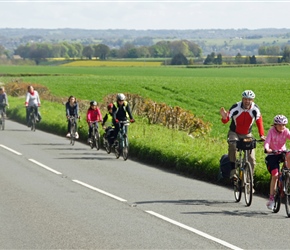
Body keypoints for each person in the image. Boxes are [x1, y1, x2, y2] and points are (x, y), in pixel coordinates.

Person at [220, 90, 266, 181]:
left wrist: (262, 135)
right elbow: (226, 120)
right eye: (245, 99)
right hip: (234, 132)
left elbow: (259, 122)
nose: (247, 101)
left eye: (249, 99)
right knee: (232, 145)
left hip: (247, 134)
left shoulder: (255, 109)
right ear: (242, 99)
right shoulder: (236, 107)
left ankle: (249, 181)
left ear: (252, 100)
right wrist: (224, 117)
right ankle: (233, 171)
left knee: (252, 159)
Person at [264, 115, 290, 210]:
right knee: (275, 176)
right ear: (275, 125)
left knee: (289, 154)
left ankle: (287, 172)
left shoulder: (286, 131)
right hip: (272, 154)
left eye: (283, 125)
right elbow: (267, 141)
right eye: (279, 125)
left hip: (282, 153)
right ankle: (271, 199)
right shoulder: (271, 131)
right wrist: (267, 149)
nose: (281, 127)